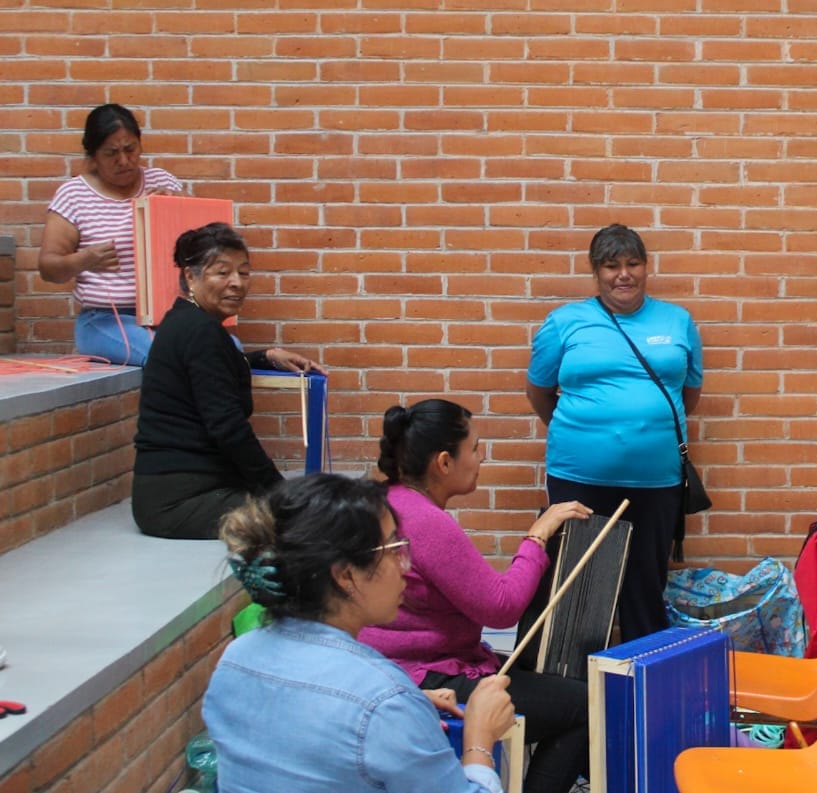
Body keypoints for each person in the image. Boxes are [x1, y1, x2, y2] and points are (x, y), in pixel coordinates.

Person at [203, 473, 517, 792]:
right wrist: (479, 738)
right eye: (394, 548)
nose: (404, 566)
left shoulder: (235, 659)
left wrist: (409, 708)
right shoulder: (385, 700)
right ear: (346, 575)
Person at [359, 399, 593, 793]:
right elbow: (500, 607)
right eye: (475, 448)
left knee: (553, 687)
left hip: (394, 667)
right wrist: (538, 535)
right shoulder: (425, 521)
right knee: (584, 705)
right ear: (444, 462)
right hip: (425, 676)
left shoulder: (386, 500)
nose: (481, 458)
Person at [525, 223, 704, 642]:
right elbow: (538, 391)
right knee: (579, 590)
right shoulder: (565, 322)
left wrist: (651, 426)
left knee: (644, 590)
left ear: (646, 267)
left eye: (633, 263)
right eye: (611, 266)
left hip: (657, 481)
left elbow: (687, 394)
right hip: (578, 478)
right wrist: (586, 431)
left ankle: (643, 686)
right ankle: (575, 697)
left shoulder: (677, 321)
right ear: (596, 272)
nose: (623, 274)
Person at [132, 222, 323, 539]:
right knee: (316, 522)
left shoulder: (187, 321)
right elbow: (229, 428)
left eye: (244, 273)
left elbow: (210, 371)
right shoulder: (200, 332)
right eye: (222, 273)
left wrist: (264, 357)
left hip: (183, 491)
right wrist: (279, 491)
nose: (236, 283)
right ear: (191, 276)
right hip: (181, 500)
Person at [37, 103, 183, 365]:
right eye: (111, 153)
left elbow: (200, 244)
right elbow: (48, 268)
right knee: (168, 355)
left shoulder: (162, 182)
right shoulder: (73, 195)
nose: (124, 161)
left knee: (228, 346)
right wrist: (84, 260)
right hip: (104, 320)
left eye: (130, 149)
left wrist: (179, 205)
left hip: (167, 315)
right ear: (93, 156)